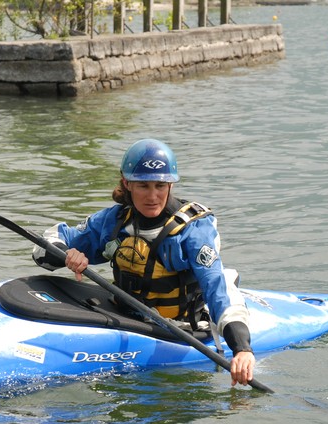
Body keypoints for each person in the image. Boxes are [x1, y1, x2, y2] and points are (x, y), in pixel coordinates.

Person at [33, 139, 255, 387]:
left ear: (170, 184)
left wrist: (241, 348)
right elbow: (46, 244)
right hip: (128, 319)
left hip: (182, 327)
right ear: (127, 184)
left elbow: (215, 287)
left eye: (160, 185)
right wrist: (66, 254)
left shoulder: (193, 230)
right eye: (143, 186)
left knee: (223, 282)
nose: (153, 196)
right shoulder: (114, 221)